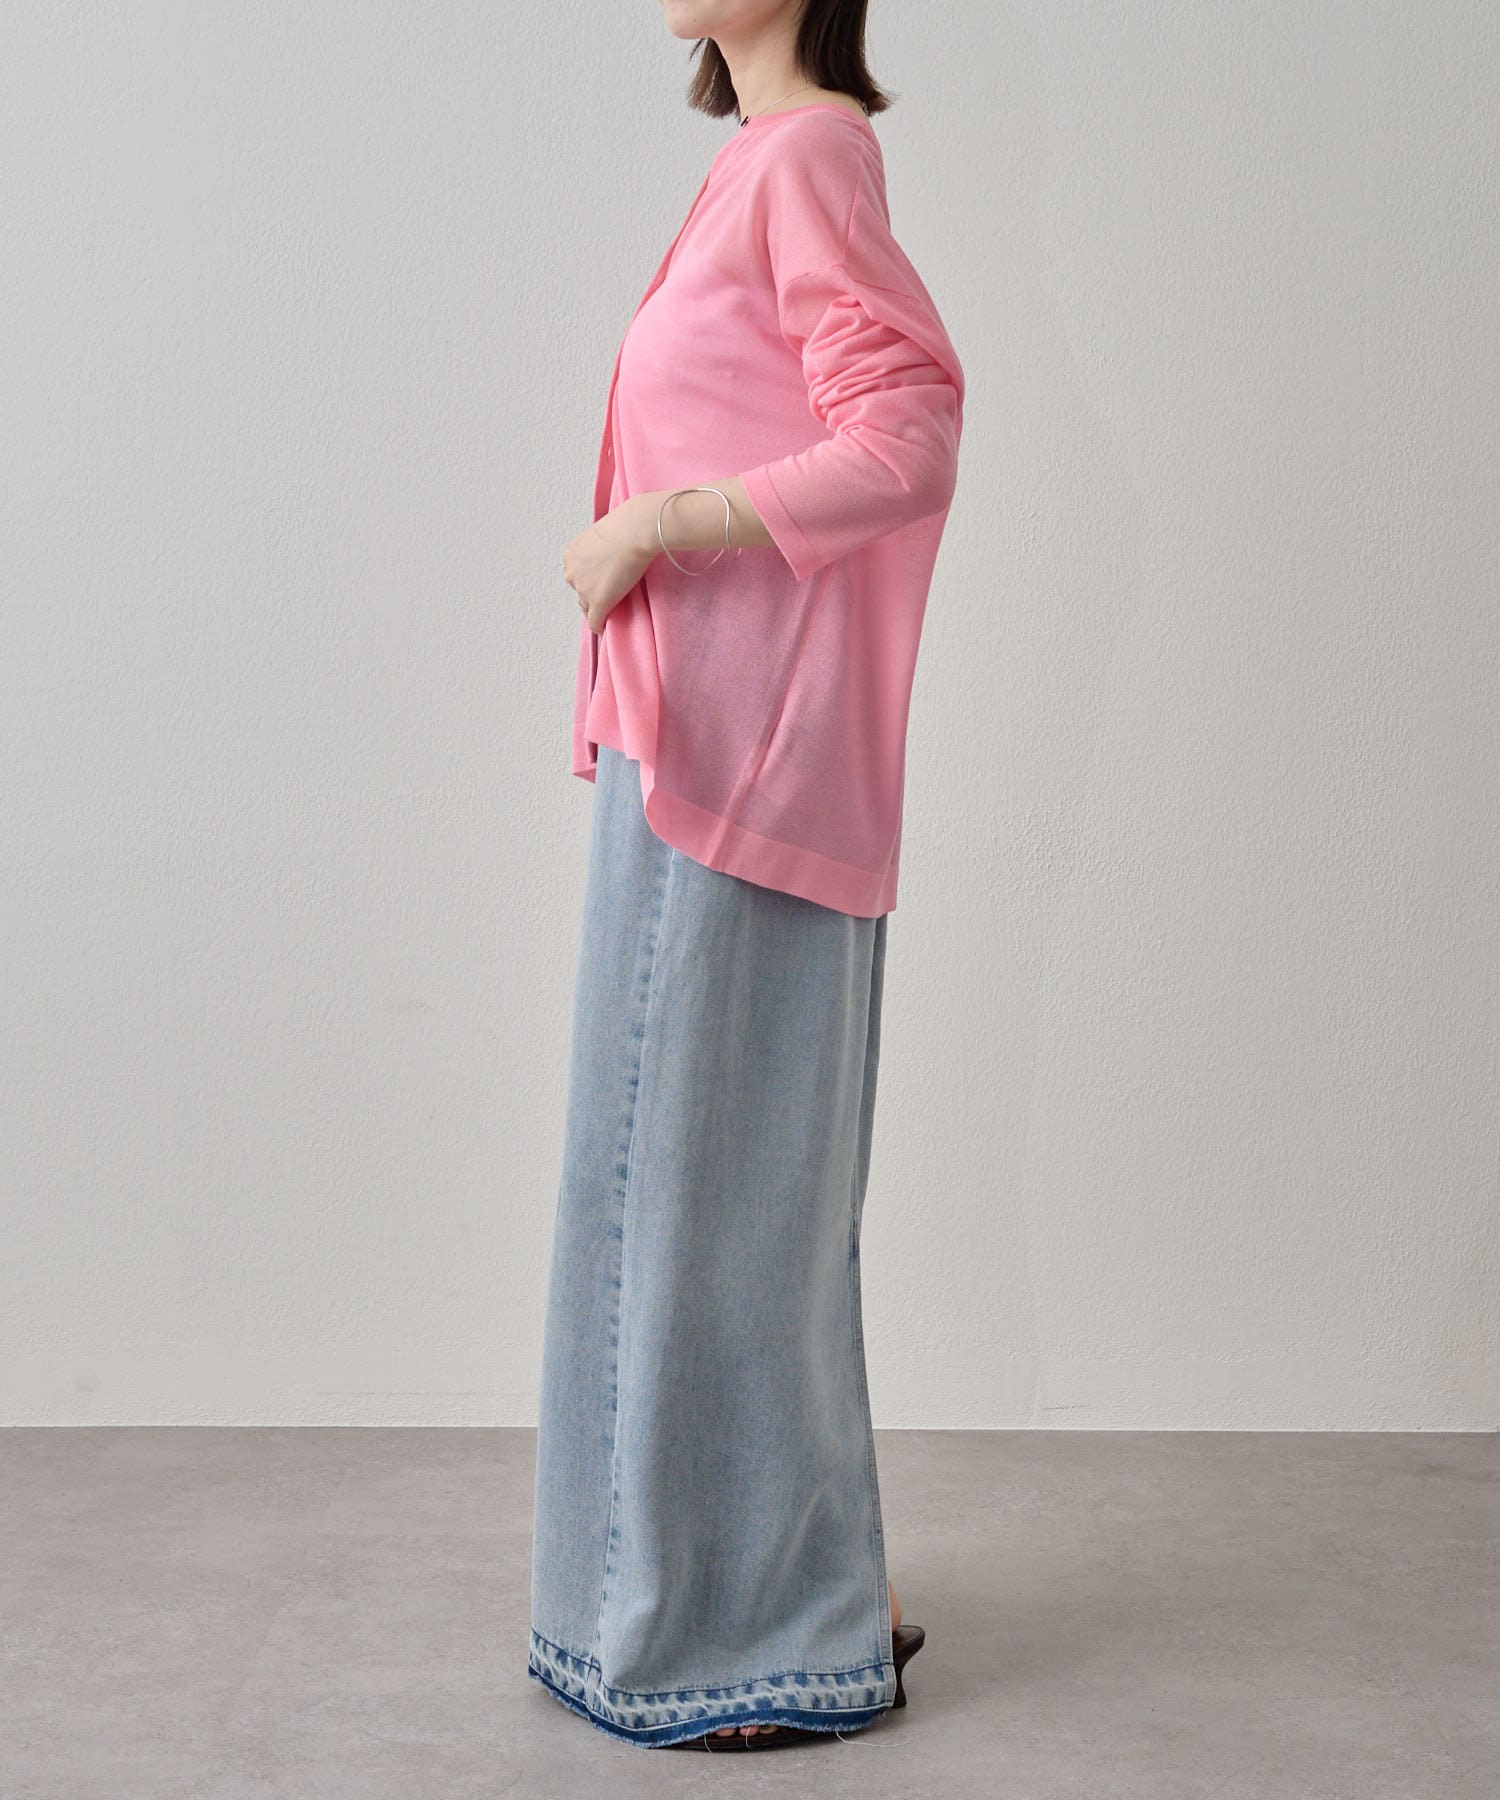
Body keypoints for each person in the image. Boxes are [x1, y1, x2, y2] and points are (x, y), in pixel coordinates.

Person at [530, 0, 965, 1754]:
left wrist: (662, 520)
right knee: (710, 1192)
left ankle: (742, 1642)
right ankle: (789, 1603)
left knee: (703, 1199)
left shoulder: (811, 156)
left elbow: (907, 429)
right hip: (702, 752)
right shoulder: (758, 162)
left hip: (740, 765)